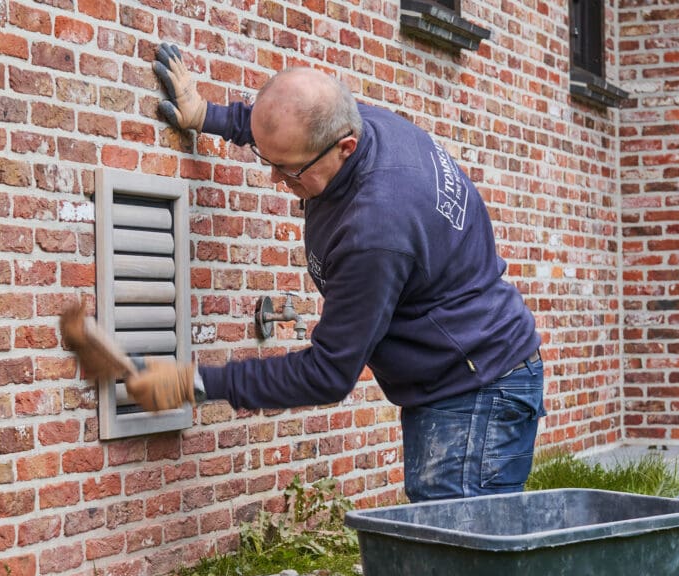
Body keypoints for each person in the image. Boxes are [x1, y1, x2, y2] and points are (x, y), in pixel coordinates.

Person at [125, 43, 545, 502]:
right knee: (442, 551)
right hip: (463, 371)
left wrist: (197, 383)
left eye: (287, 171)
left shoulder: (376, 229)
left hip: (476, 387)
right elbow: (290, 125)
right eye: (272, 163)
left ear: (344, 147)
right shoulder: (355, 122)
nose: (275, 180)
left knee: (458, 556)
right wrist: (209, 115)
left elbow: (328, 372)